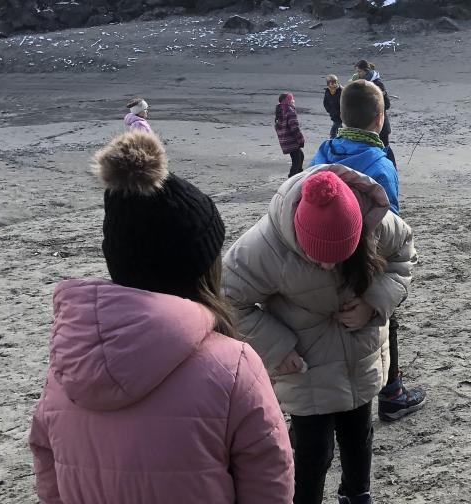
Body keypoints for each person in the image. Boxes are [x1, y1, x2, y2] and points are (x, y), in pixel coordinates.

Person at [28, 132, 294, 504]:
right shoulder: (234, 367)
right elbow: (269, 483)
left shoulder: (65, 370)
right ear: (204, 268)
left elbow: (49, 479)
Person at [222, 167, 416, 503]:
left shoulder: (375, 222)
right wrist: (277, 347)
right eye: (318, 258)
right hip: (305, 367)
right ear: (298, 236)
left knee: (359, 435)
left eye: (340, 257)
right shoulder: (266, 246)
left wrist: (372, 302)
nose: (328, 267)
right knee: (314, 451)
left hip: (360, 355)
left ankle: (357, 495)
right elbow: (226, 298)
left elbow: (404, 255)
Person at [310, 80, 426, 421]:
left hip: (319, 260)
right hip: (364, 264)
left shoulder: (321, 154)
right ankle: (392, 393)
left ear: (342, 115)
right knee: (384, 320)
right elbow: (390, 229)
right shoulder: (380, 164)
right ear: (380, 119)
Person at [352, 60, 393, 152]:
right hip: (367, 125)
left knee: (384, 150)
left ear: (366, 71)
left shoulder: (378, 84)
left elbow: (387, 104)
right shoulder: (361, 84)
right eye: (357, 72)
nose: (358, 74)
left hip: (380, 124)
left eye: (359, 71)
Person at [276, 92, 306, 178]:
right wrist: (301, 140)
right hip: (291, 141)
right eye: (291, 99)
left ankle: (300, 175)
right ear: (288, 101)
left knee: (300, 156)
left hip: (285, 140)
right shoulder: (290, 111)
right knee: (296, 160)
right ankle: (292, 178)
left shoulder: (280, 109)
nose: (293, 101)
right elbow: (295, 128)